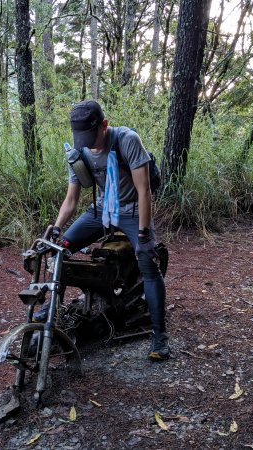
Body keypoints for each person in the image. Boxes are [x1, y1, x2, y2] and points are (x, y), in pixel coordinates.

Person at [51, 100, 170, 361]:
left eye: (92, 136)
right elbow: (71, 199)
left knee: (148, 262)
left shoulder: (127, 140)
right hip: (101, 210)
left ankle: (159, 336)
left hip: (132, 209)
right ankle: (52, 317)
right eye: (82, 138)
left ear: (104, 125)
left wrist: (143, 233)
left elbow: (144, 190)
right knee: (58, 251)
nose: (89, 143)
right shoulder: (80, 151)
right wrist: (56, 228)